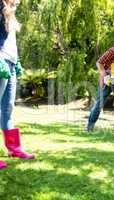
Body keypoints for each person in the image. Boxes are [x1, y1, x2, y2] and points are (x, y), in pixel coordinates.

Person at [0, 0, 35, 170]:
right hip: (1, 61)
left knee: (8, 108)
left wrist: (17, 61)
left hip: (11, 62)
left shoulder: (10, 11)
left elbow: (10, 41)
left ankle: (14, 149)